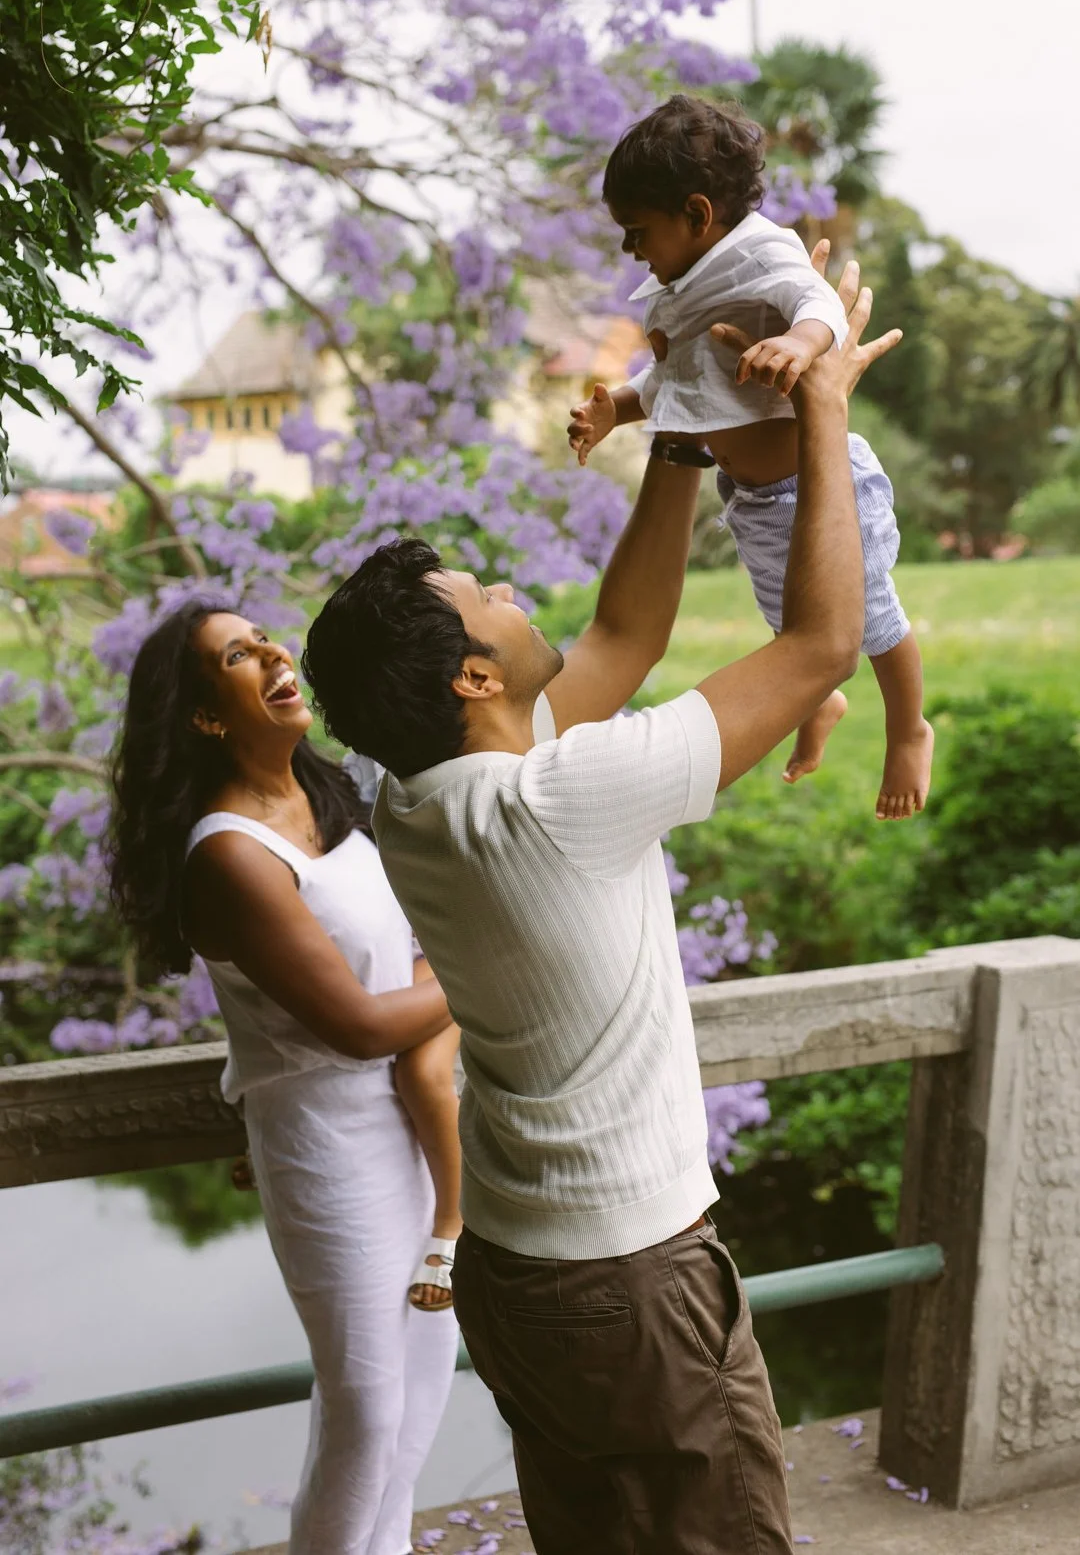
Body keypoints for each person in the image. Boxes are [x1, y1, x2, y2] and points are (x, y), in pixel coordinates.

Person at [300, 254, 899, 1554]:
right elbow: (817, 648)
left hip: (519, 1271)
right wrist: (828, 408)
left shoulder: (425, 797)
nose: (520, 595)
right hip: (628, 1281)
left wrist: (677, 423)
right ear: (472, 675)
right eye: (493, 599)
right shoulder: (559, 798)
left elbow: (622, 637)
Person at [108, 602, 460, 1555]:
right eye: (237, 654)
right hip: (327, 1148)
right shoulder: (229, 852)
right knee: (366, 1406)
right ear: (207, 717)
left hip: (417, 1121)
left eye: (265, 636)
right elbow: (357, 1024)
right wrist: (485, 958)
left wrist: (443, 969)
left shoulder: (327, 793)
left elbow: (399, 964)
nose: (272, 651)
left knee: (425, 1385)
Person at [569, 94, 933, 822]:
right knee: (788, 616)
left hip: (820, 487)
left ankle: (907, 727)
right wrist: (620, 406)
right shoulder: (685, 283)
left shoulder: (763, 251)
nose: (630, 251)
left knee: (873, 618)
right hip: (757, 497)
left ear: (699, 215)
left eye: (638, 232)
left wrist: (801, 344)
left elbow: (819, 306)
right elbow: (680, 378)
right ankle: (817, 699)